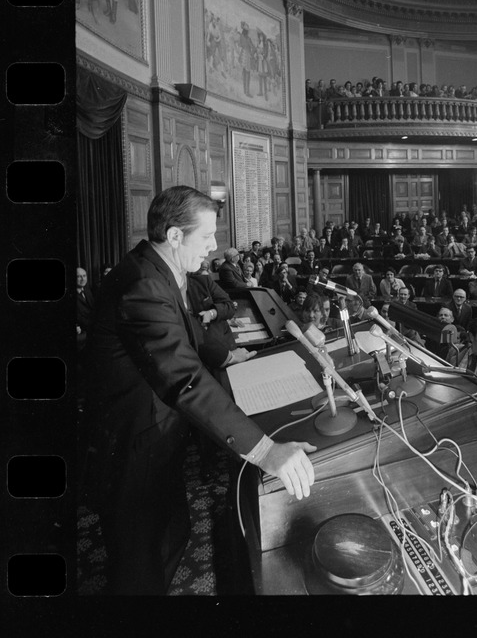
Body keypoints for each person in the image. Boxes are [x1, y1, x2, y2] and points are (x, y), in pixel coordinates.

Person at [81, 186, 316, 595]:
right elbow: (183, 376)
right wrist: (265, 451)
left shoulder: (159, 270)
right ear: (174, 236)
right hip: (135, 444)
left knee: (172, 534)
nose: (213, 246)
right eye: (206, 236)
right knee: (140, 563)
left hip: (158, 434)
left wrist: (230, 357)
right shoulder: (142, 284)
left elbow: (188, 334)